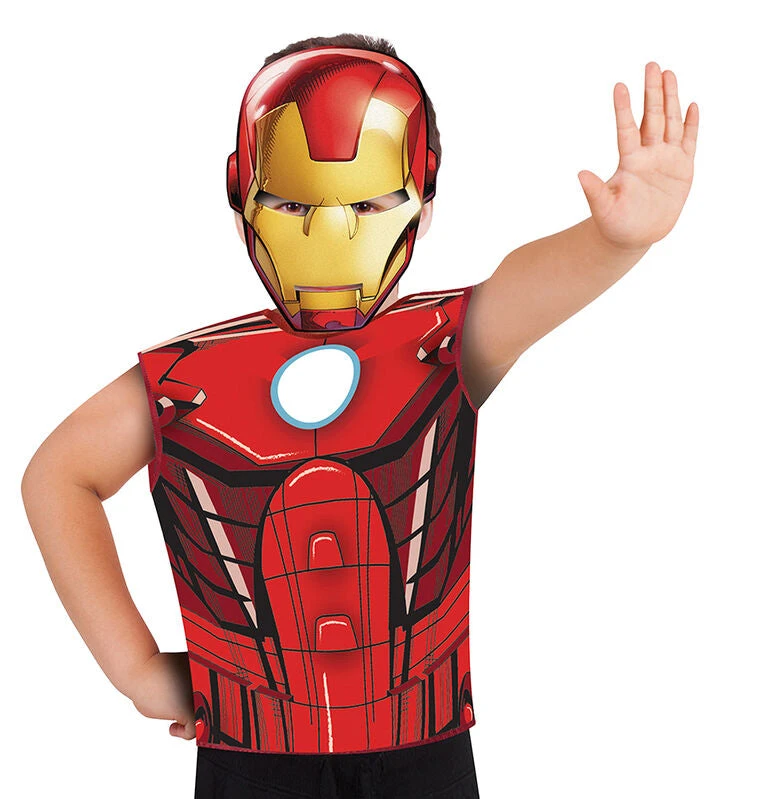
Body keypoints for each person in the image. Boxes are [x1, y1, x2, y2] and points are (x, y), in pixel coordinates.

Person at [21, 32, 698, 799]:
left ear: (423, 200)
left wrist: (611, 241)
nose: (331, 231)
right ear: (242, 194)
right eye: (292, 202)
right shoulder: (191, 379)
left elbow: (525, 285)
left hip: (422, 751)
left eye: (368, 202)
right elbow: (58, 475)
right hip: (251, 753)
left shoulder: (442, 344)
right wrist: (135, 667)